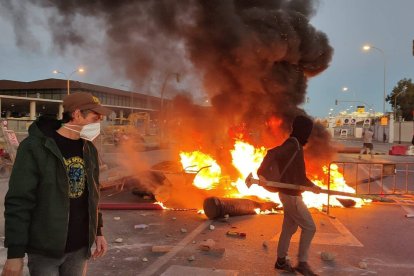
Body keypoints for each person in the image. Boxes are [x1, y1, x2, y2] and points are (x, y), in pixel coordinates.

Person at [2, 92, 111, 276]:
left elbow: (92, 195)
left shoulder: (89, 149)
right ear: (77, 114)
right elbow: (19, 201)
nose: (99, 122)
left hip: (80, 248)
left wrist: (98, 231)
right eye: (95, 117)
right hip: (45, 250)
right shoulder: (34, 147)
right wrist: (15, 254)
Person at [258, 115, 321, 276]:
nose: (308, 134)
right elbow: (272, 153)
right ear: (302, 130)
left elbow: (298, 176)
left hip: (288, 194)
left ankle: (280, 261)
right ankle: (302, 263)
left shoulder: (295, 145)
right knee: (310, 227)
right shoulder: (293, 145)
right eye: (307, 131)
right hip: (291, 196)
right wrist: (261, 173)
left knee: (289, 228)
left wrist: (312, 186)